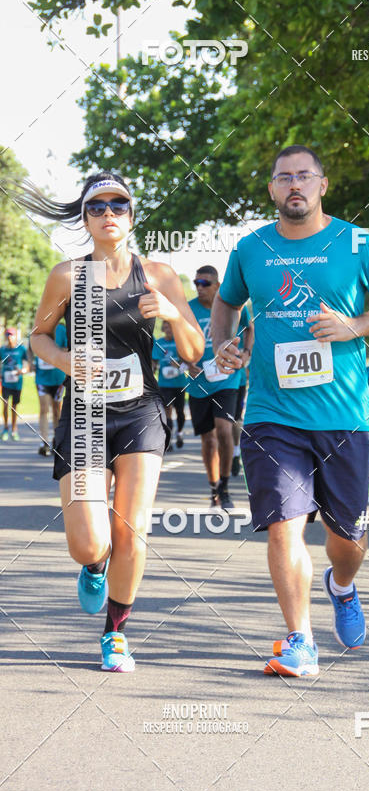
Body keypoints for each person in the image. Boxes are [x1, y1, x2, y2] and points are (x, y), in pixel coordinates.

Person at [211, 145, 369, 677]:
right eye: (283, 178)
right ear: (273, 189)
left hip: (343, 416)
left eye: (304, 176)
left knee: (346, 539)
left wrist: (355, 325)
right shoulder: (251, 248)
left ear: (323, 185)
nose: (294, 185)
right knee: (284, 524)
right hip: (271, 416)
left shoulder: (357, 242)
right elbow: (227, 301)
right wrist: (224, 343)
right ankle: (299, 639)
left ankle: (342, 586)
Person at [17, 172, 204, 672]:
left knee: (133, 530)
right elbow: (39, 338)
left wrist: (172, 314)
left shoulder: (159, 274)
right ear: (85, 218)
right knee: (90, 542)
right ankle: (95, 566)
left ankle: (116, 634)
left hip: (140, 412)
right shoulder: (66, 276)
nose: (108, 214)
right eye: (96, 207)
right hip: (84, 417)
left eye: (117, 205)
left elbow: (194, 353)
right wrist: (64, 360)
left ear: (131, 214)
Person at [187, 266, 253, 509]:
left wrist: (246, 353)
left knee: (224, 430)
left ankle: (225, 487)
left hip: (227, 377)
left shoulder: (232, 305)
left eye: (205, 283)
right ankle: (213, 486)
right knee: (208, 439)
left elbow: (250, 328)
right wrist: (185, 362)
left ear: (217, 285)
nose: (200, 287)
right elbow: (177, 339)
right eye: (197, 283)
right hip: (198, 382)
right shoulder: (189, 309)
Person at [152, 319, 188, 452]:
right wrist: (152, 371)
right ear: (162, 329)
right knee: (167, 410)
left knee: (180, 412)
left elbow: (188, 361)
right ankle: (170, 439)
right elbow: (154, 361)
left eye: (170, 327)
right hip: (164, 383)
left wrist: (179, 365)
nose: (168, 329)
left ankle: (180, 433)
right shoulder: (159, 343)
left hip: (179, 383)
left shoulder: (180, 341)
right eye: (165, 327)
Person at [33, 322, 67, 455]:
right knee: (43, 409)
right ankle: (44, 442)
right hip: (42, 378)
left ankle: (56, 441)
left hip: (58, 378)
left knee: (56, 411)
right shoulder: (38, 327)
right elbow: (30, 349)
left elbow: (67, 348)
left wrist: (51, 350)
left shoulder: (62, 329)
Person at [1, 327, 29, 441]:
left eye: (11, 335)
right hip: (6, 382)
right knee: (5, 405)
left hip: (17, 382)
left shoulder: (21, 349)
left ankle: (14, 429)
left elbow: (27, 365)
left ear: (15, 336)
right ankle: (6, 428)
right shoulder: (2, 350)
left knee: (14, 407)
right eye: (8, 335)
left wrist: (22, 371)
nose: (9, 337)